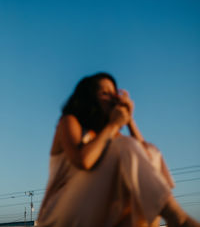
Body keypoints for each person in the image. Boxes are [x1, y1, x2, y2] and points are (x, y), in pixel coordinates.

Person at [37, 73, 200, 227]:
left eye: (114, 93)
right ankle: (176, 217)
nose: (112, 98)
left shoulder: (110, 135)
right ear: (89, 97)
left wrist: (129, 120)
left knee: (150, 151)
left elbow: (147, 159)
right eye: (105, 93)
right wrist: (113, 124)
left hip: (93, 211)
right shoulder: (70, 122)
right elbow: (83, 161)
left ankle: (169, 216)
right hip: (61, 215)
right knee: (126, 145)